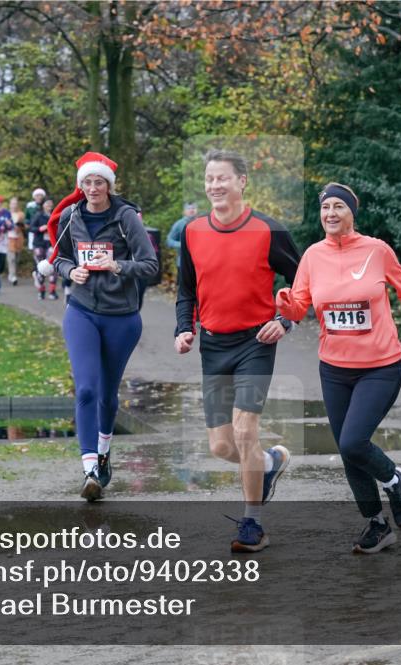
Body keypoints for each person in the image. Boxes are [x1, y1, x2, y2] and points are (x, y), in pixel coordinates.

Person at [276, 183, 401, 554]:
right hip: (334, 368)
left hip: (380, 365)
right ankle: (377, 524)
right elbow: (300, 306)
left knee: (352, 441)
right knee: (349, 452)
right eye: (325, 207)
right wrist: (285, 304)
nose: (330, 213)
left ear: (351, 213)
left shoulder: (376, 250)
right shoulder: (313, 256)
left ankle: (394, 480)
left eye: (338, 207)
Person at [174, 149, 299, 553]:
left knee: (246, 432)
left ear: (242, 181)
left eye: (222, 178)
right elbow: (186, 289)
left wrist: (285, 320)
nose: (214, 186)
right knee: (222, 447)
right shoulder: (193, 232)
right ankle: (268, 465)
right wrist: (183, 328)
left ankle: (253, 524)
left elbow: (303, 281)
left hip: (255, 343)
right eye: (209, 179)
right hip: (213, 345)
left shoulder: (268, 231)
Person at [51, 152, 158, 501]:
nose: (93, 188)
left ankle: (104, 450)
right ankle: (89, 471)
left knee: (108, 396)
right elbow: (59, 258)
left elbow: (149, 265)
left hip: (122, 317)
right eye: (87, 183)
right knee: (85, 390)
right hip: (81, 311)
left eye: (99, 182)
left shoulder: (126, 217)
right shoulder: (71, 216)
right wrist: (70, 272)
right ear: (80, 186)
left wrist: (118, 266)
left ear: (109, 186)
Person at [166, 202, 198, 269]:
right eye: (189, 208)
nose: (191, 210)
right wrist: (182, 244)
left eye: (194, 208)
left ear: (197, 210)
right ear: (184, 211)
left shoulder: (201, 223)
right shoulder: (179, 224)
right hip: (183, 263)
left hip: (199, 264)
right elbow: (169, 241)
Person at [7, 196, 25, 286]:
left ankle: (12, 274)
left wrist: (19, 225)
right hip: (8, 238)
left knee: (16, 258)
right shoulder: (6, 214)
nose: (14, 205)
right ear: (9, 205)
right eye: (12, 203)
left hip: (18, 238)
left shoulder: (21, 214)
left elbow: (24, 226)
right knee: (12, 258)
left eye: (15, 204)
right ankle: (13, 276)